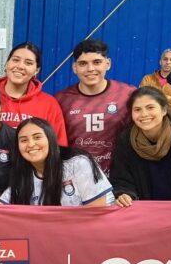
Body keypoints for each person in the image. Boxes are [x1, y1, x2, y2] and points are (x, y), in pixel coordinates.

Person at [55, 39, 135, 175]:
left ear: (108, 64)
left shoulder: (128, 94)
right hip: (77, 180)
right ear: (74, 68)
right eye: (83, 63)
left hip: (119, 179)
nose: (90, 69)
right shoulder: (61, 99)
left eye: (97, 62)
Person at [0, 117, 113, 206]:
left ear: (50, 139)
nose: (31, 144)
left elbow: (97, 208)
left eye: (37, 137)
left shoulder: (78, 163)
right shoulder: (23, 177)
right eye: (23, 140)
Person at [0, 42, 68, 145]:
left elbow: (59, 145)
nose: (20, 66)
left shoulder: (49, 104)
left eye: (28, 63)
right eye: (15, 60)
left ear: (36, 70)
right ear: (7, 64)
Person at [140, 49, 171, 116]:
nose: (168, 62)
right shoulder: (148, 79)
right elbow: (143, 99)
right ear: (160, 61)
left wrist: (154, 99)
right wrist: (167, 98)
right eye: (165, 59)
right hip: (152, 118)